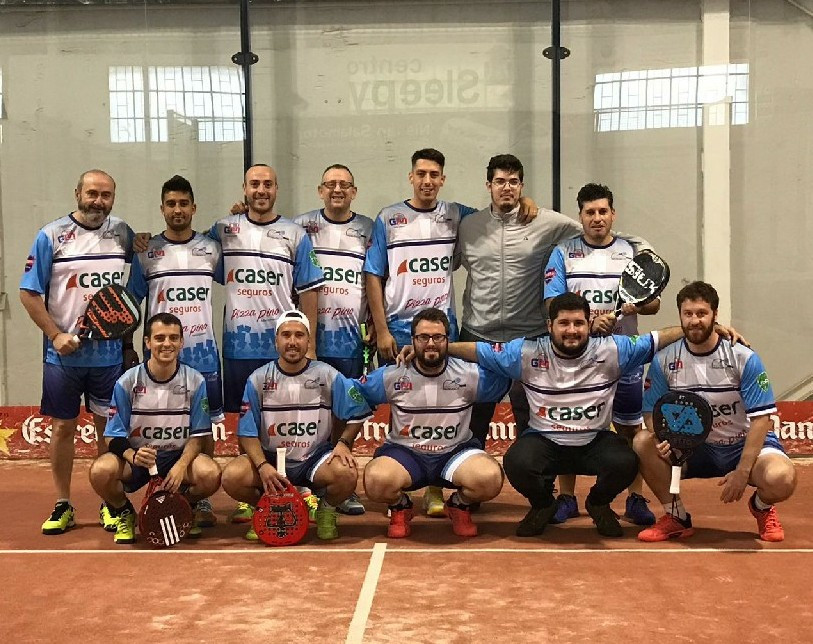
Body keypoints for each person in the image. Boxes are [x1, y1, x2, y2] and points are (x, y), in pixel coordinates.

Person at [444, 292, 740, 538]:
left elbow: (658, 338)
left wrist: (708, 328)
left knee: (627, 459)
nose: (571, 330)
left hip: (594, 442)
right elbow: (478, 351)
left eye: (578, 323)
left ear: (589, 324)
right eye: (564, 323)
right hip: (544, 441)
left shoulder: (612, 349)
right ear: (550, 326)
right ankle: (543, 505)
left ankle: (598, 504)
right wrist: (439, 346)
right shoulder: (526, 352)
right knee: (516, 461)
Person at [363, 148, 536, 517]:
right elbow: (373, 275)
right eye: (421, 174)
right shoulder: (389, 218)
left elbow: (497, 210)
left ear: (442, 179)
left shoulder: (457, 215)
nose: (427, 181)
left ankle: (437, 488)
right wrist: (381, 329)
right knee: (405, 403)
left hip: (443, 331)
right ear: (411, 177)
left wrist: (525, 201)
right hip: (398, 329)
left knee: (447, 404)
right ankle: (401, 485)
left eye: (434, 175)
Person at [457, 158, 651, 457]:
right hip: (478, 333)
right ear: (488, 185)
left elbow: (599, 234)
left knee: (532, 420)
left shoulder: (547, 222)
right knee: (473, 417)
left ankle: (533, 479)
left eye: (513, 182)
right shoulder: (469, 225)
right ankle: (467, 477)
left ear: (521, 186)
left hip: (531, 335)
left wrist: (643, 250)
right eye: (500, 182)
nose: (506, 187)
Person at [635, 281, 797, 542]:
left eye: (702, 313)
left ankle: (761, 506)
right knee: (643, 441)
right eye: (688, 314)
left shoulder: (742, 356)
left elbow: (761, 419)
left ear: (715, 315)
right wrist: (662, 438)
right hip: (692, 447)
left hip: (742, 444)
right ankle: (676, 517)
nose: (695, 320)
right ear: (680, 316)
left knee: (782, 478)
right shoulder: (664, 360)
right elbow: (651, 412)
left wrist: (743, 471)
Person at [20, 169, 134, 535]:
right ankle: (63, 503)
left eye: (106, 195)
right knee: (63, 428)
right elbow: (29, 293)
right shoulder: (51, 236)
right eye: (92, 193)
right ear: (77, 194)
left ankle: (109, 502)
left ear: (113, 198)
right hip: (63, 358)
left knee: (107, 430)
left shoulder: (123, 233)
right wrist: (55, 335)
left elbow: (130, 290)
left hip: (108, 358)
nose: (98, 201)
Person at [543, 183, 659, 526]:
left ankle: (635, 498)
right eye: (590, 212)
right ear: (580, 216)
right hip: (576, 356)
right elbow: (551, 304)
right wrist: (589, 323)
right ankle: (567, 497)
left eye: (603, 211)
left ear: (613, 214)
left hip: (625, 355)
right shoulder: (563, 252)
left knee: (629, 429)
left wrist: (633, 307)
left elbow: (653, 303)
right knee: (568, 425)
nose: (597, 218)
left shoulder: (631, 251)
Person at [356, 308, 508, 538]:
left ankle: (459, 505)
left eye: (438, 338)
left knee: (490, 478)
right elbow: (353, 394)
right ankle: (400, 507)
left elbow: (504, 366)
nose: (430, 344)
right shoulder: (393, 374)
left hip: (454, 454)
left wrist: (454, 350)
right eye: (423, 338)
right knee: (376, 480)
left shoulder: (469, 374)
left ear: (448, 340)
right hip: (406, 455)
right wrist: (343, 441)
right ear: (412, 340)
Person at [220, 310, 372, 541]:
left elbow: (358, 409)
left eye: (299, 335)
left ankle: (326, 510)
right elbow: (247, 433)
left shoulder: (327, 374)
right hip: (271, 459)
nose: (292, 341)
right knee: (232, 477)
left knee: (347, 473)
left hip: (313, 459)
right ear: (276, 341)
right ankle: (267, 508)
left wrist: (343, 443)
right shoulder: (258, 379)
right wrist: (262, 466)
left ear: (308, 341)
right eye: (286, 335)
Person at [126, 175, 224, 529]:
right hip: (160, 358)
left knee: (204, 427)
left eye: (184, 204)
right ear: (162, 208)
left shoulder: (212, 249)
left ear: (194, 208)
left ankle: (200, 498)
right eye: (171, 204)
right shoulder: (146, 252)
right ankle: (156, 487)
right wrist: (127, 345)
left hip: (204, 355)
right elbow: (129, 304)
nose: (177, 210)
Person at [88, 312, 222, 544]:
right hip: (140, 460)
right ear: (148, 342)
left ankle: (183, 505)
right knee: (100, 471)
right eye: (160, 338)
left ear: (181, 342)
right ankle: (124, 512)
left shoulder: (195, 380)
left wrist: (181, 465)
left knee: (210, 474)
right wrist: (132, 455)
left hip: (177, 457)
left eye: (173, 338)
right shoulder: (128, 381)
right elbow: (112, 435)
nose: (167, 344)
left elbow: (199, 435)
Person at [293, 164, 375, 516]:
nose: (337, 189)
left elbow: (377, 277)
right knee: (307, 408)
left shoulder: (368, 228)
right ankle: (302, 481)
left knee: (344, 409)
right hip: (308, 339)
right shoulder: (299, 226)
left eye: (344, 184)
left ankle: (339, 481)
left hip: (350, 338)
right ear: (320, 190)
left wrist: (376, 322)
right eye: (330, 184)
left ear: (354, 191)